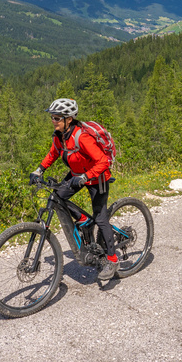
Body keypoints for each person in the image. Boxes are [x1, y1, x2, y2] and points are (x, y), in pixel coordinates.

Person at [29, 98, 118, 281]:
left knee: (101, 218)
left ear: (68, 119)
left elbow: (102, 161)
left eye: (56, 118)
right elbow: (53, 153)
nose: (53, 121)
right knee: (58, 197)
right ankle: (84, 219)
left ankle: (112, 259)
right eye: (52, 117)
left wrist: (86, 177)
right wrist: (39, 170)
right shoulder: (59, 135)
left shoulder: (82, 136)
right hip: (77, 174)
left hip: (96, 177)